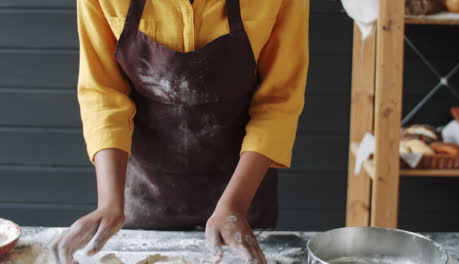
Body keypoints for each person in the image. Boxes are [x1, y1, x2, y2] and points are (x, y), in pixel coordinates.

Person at [51, 0, 309, 263]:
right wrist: (109, 202)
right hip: (145, 193)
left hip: (243, 186)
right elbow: (103, 93)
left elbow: (278, 100)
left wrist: (234, 206)